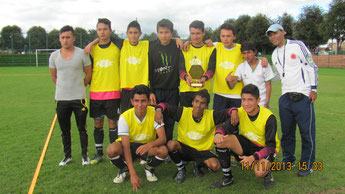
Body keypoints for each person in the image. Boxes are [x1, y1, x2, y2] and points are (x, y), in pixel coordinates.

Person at [266, 24, 318, 176]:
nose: (273, 37)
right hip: (285, 98)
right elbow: (278, 75)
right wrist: (262, 66)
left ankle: (307, 165)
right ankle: (288, 159)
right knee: (287, 133)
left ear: (283, 32)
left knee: (306, 133)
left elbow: (311, 65)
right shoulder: (274, 53)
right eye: (270, 35)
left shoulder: (297, 45)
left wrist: (313, 89)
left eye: (275, 33)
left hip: (303, 96)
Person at [155, 89, 238, 183]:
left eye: (202, 103)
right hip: (185, 149)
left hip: (203, 151)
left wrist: (234, 110)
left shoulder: (212, 115)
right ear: (192, 102)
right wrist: (158, 110)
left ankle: (198, 164)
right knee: (171, 144)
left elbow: (228, 111)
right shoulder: (183, 112)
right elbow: (164, 105)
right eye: (197, 101)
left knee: (215, 166)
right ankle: (181, 169)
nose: (198, 105)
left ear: (206, 106)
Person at [211, 84, 280, 189]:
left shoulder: (269, 117)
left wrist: (253, 157)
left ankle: (267, 172)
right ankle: (227, 177)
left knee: (259, 172)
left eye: (250, 100)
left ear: (258, 100)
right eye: (243, 100)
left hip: (264, 148)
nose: (246, 104)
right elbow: (224, 127)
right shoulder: (240, 112)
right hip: (247, 142)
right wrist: (218, 133)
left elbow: (271, 146)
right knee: (221, 141)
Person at [106, 85, 168, 191]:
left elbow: (163, 139)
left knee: (163, 150)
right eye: (137, 101)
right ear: (132, 101)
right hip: (129, 145)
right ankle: (124, 169)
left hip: (146, 146)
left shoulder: (155, 114)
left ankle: (149, 168)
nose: (140, 105)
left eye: (143, 101)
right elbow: (126, 147)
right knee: (111, 150)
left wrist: (149, 145)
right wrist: (133, 174)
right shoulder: (124, 117)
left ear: (148, 101)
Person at [49, 25, 92, 166]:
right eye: (63, 37)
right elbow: (54, 77)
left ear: (73, 38)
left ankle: (84, 156)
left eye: (68, 37)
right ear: (59, 39)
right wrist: (63, 88)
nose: (65, 40)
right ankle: (67, 156)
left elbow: (89, 74)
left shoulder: (82, 54)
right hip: (61, 99)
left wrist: (80, 86)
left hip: (79, 98)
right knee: (64, 130)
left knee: (82, 129)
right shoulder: (54, 56)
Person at [210, 23, 269, 110]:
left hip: (237, 95)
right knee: (218, 123)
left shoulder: (240, 48)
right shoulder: (216, 46)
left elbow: (251, 55)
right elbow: (198, 43)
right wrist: (187, 42)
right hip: (219, 94)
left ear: (234, 36)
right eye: (223, 36)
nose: (225, 39)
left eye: (228, 36)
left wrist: (262, 58)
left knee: (235, 122)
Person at [88, 18, 121, 164]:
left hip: (113, 91)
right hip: (96, 91)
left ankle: (113, 152)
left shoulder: (117, 47)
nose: (102, 32)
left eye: (105, 29)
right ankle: (99, 153)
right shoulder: (92, 49)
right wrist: (92, 43)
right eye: (100, 29)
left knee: (113, 122)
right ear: (97, 31)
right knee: (98, 122)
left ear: (110, 31)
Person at [149, 19, 184, 142]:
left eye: (166, 32)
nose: (163, 35)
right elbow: (149, 71)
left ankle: (167, 147)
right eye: (161, 32)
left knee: (170, 121)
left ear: (171, 33)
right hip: (157, 91)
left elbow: (194, 43)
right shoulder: (152, 47)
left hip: (172, 91)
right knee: (156, 120)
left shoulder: (177, 46)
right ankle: (156, 147)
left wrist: (178, 40)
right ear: (157, 33)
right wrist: (151, 91)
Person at [226, 41, 275, 108]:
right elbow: (231, 86)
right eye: (244, 53)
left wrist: (266, 103)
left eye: (249, 52)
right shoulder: (241, 67)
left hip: (262, 103)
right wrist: (228, 81)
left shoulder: (264, 64)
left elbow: (268, 85)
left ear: (255, 52)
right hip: (247, 104)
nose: (246, 56)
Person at [179, 20, 216, 107]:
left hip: (203, 90)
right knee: (185, 119)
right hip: (186, 90)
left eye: (198, 33)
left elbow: (211, 69)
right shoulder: (184, 48)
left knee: (202, 119)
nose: (195, 36)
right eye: (192, 33)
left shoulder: (211, 49)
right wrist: (186, 77)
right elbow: (181, 68)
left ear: (203, 33)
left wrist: (204, 78)